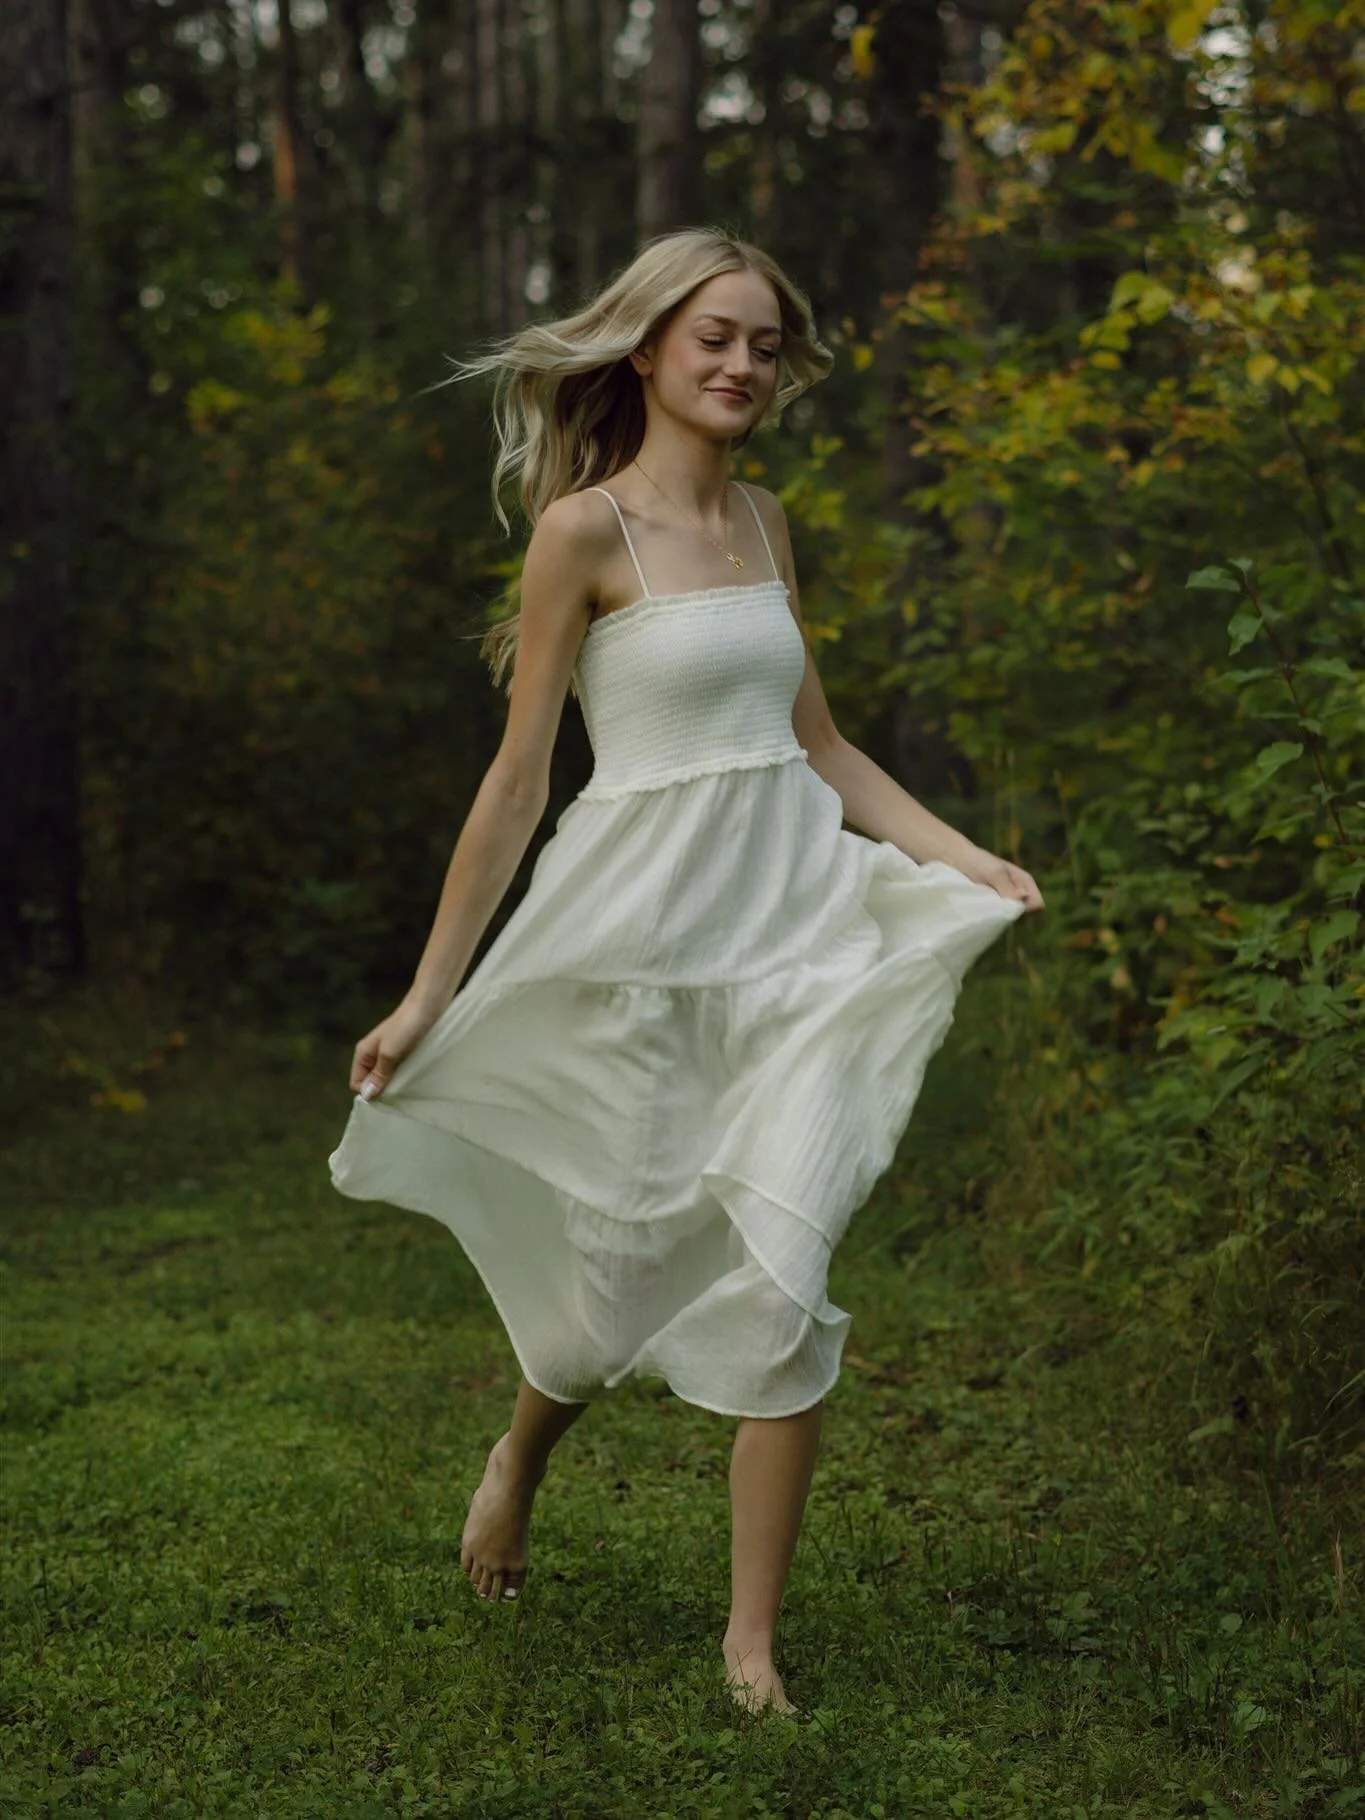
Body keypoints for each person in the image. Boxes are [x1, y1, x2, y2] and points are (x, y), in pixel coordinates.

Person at [328, 227, 1044, 1716]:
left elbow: (818, 744)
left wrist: (963, 854)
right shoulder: (582, 532)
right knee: (613, 1284)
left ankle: (750, 1648)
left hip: (793, 943)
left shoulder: (767, 525)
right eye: (714, 337)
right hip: (640, 947)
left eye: (765, 345)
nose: (741, 365)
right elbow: (517, 785)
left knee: (785, 1280)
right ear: (646, 348)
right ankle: (519, 1457)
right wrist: (427, 994)